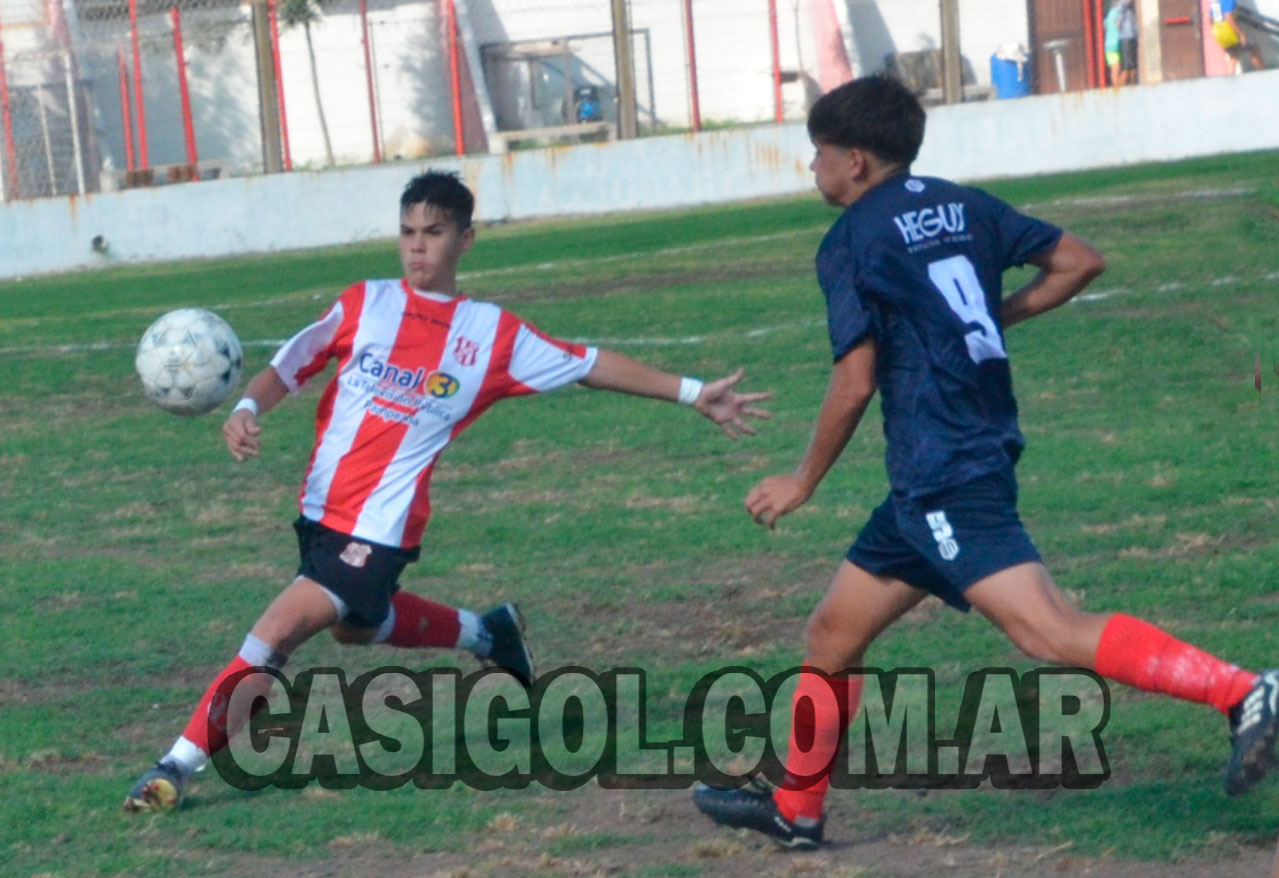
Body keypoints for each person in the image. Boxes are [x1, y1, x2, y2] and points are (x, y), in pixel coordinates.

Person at [690, 75, 1279, 850]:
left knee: (1047, 630)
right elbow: (1078, 261)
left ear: (855, 161)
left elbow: (854, 381)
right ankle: (795, 808)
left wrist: (801, 480)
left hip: (944, 468)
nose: (812, 168)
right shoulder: (964, 205)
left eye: (818, 153)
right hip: (946, 464)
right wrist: (989, 319)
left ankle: (1244, 691)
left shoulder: (850, 240)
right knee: (832, 635)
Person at [124, 170, 772, 813]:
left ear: (465, 239)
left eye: (433, 232)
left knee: (274, 635)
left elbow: (588, 363)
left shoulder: (493, 336)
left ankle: (174, 767)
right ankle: (488, 633)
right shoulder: (365, 303)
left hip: (377, 528)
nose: (416, 245)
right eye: (407, 231)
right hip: (321, 513)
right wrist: (246, 407)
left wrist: (692, 392)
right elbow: (292, 360)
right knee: (356, 629)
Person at [1211, 0, 1264, 73]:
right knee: (1254, 50)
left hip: (1221, 34)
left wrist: (1217, 37)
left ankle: (1229, 79)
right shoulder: (1229, 1)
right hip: (1231, 32)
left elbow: (1210, 20)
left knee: (1233, 58)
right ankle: (1262, 74)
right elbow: (1228, 17)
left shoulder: (1216, 3)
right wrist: (1241, 34)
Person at [1116, 0, 1139, 85]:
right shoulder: (1122, 4)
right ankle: (1119, 90)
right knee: (1126, 68)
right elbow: (1118, 22)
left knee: (1133, 67)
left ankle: (1133, 87)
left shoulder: (1130, 8)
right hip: (1126, 38)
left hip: (1132, 37)